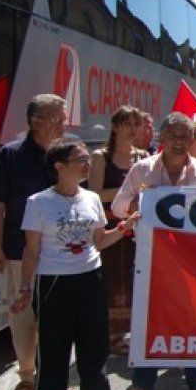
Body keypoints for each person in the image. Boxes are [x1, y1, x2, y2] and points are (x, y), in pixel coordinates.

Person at [11, 138, 141, 390]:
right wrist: (24, 289)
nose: (87, 164)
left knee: (94, 346)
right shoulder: (39, 202)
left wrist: (125, 227)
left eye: (87, 158)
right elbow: (31, 250)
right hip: (54, 282)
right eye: (79, 160)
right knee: (54, 349)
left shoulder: (91, 199)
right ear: (59, 166)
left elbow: (99, 241)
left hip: (90, 278)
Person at [112, 112, 196, 390]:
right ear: (161, 138)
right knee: (147, 319)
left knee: (194, 320)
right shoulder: (141, 169)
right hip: (150, 257)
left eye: (184, 136)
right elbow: (119, 206)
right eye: (172, 135)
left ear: (192, 140)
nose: (178, 142)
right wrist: (142, 203)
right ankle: (141, 382)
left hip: (192, 260)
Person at [0, 94, 66, 390]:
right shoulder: (11, 155)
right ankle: (27, 376)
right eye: (58, 117)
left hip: (60, 253)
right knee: (22, 317)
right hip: (18, 250)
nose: (64, 122)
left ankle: (55, 379)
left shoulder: (67, 154)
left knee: (56, 319)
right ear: (35, 121)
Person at [86, 105, 148, 355]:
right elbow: (95, 194)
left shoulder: (143, 156)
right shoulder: (101, 157)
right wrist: (127, 191)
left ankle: (125, 332)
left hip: (137, 227)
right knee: (110, 280)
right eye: (127, 124)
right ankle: (110, 333)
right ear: (114, 127)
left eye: (136, 124)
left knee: (131, 280)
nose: (133, 129)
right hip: (110, 226)